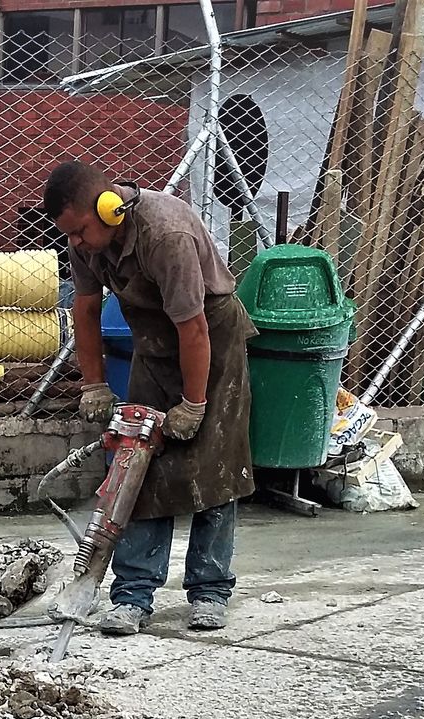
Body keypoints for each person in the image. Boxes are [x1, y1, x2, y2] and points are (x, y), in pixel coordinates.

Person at [44, 160, 256, 635]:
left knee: (214, 467)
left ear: (109, 208)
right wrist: (94, 383)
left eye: (78, 232)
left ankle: (210, 591)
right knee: (135, 464)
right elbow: (85, 309)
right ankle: (134, 596)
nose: (74, 243)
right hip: (154, 348)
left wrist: (194, 403)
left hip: (211, 343)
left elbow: (194, 326)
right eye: (69, 235)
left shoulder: (166, 234)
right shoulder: (85, 239)